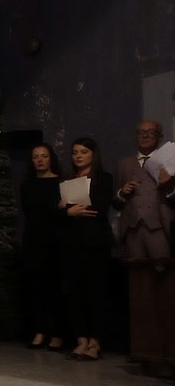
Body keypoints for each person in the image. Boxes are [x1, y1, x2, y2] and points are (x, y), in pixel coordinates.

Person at [61, 137, 113, 361]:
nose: (78, 156)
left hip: (95, 243)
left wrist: (73, 208)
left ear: (93, 154)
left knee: (96, 293)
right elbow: (58, 210)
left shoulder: (104, 178)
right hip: (72, 243)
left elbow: (100, 209)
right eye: (75, 152)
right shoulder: (67, 179)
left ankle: (95, 341)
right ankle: (81, 339)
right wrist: (68, 211)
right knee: (75, 293)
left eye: (83, 152)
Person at [20, 142, 66, 350]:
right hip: (33, 240)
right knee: (35, 287)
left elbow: (60, 212)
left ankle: (57, 333)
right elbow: (29, 211)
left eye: (44, 156)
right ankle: (39, 331)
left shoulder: (61, 182)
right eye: (35, 156)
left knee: (56, 288)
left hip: (55, 240)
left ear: (51, 158)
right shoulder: (27, 185)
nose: (40, 160)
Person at [113, 120, 175, 260]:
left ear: (160, 137)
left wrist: (168, 187)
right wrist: (121, 193)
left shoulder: (171, 161)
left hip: (160, 228)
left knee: (162, 271)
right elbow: (115, 202)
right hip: (132, 230)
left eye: (150, 132)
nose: (145, 136)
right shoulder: (123, 164)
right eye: (140, 132)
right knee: (136, 271)